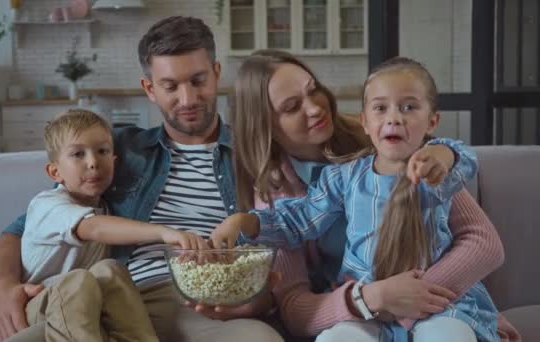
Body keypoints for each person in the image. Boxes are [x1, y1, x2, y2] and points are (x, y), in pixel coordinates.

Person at [0, 17, 283, 342]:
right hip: (112, 297)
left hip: (198, 305)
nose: (187, 99)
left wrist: (258, 298)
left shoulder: (252, 152)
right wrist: (4, 288)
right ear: (149, 89)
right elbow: (21, 229)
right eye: (170, 86)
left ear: (216, 73)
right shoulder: (116, 151)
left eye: (198, 80)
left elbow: (284, 232)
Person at [208, 49, 519, 341]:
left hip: (439, 305)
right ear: (365, 121)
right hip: (363, 309)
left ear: (431, 121)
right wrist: (246, 222)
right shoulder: (340, 179)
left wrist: (444, 153)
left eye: (313, 89)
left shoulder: (425, 164)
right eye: (291, 106)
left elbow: (477, 216)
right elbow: (294, 227)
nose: (315, 107)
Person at [0, 109, 210, 342]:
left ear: (114, 161)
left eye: (102, 151)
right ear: (54, 171)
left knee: (111, 270)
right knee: (79, 282)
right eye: (78, 154)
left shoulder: (106, 208)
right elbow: (93, 228)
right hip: (27, 314)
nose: (93, 162)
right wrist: (163, 232)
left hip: (76, 313)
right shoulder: (48, 205)